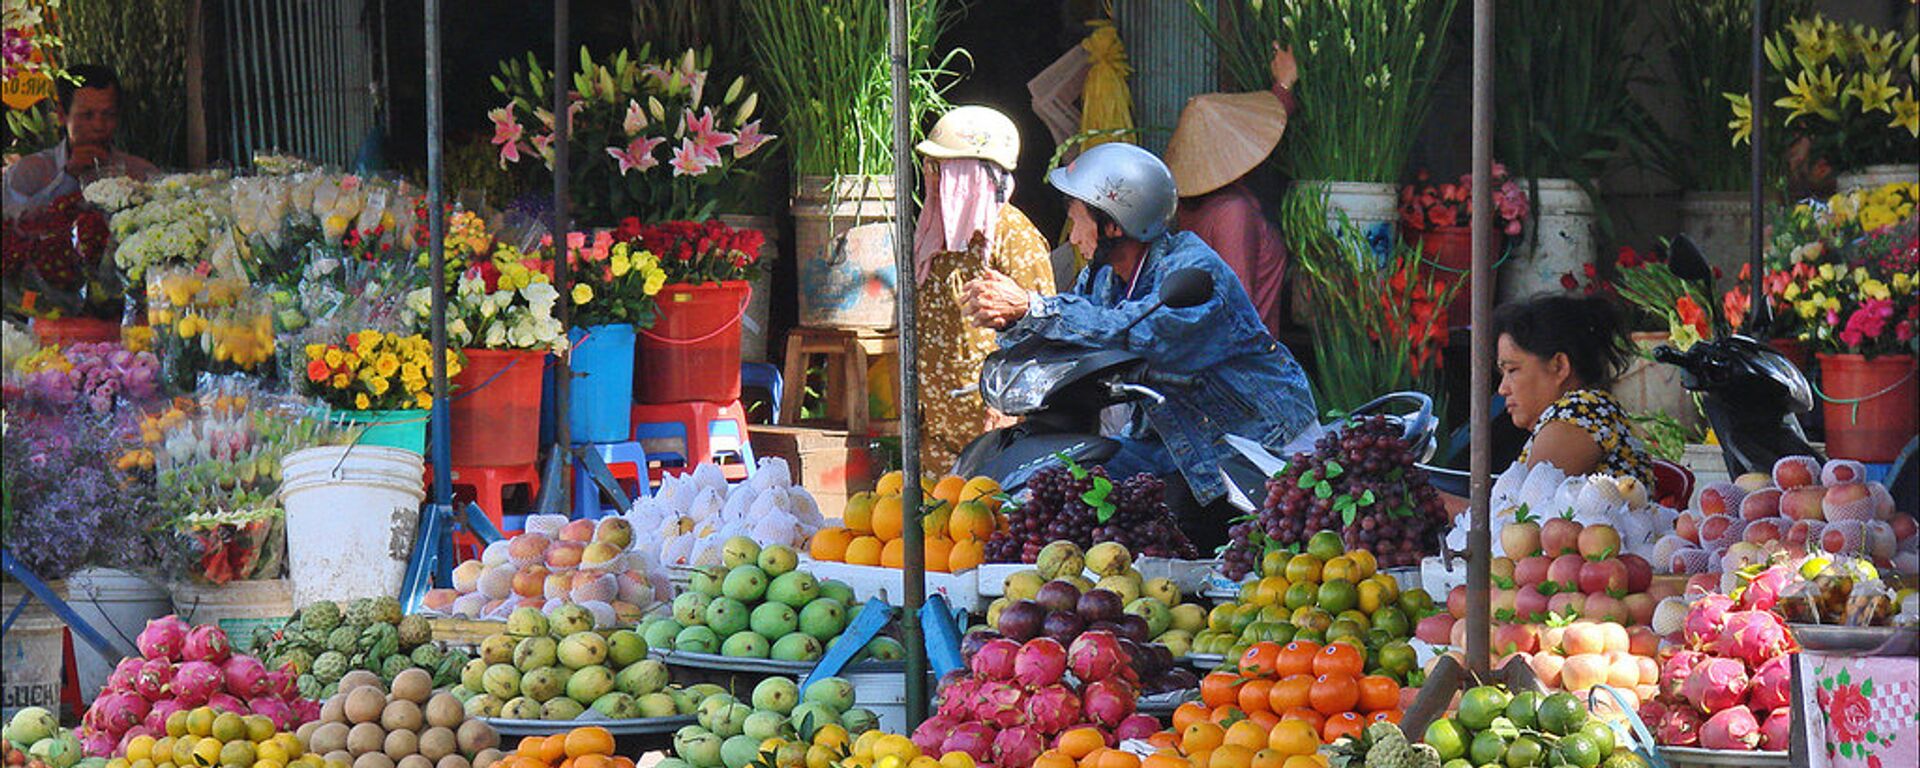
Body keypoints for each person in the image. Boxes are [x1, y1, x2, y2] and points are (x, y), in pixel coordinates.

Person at [961, 142, 1318, 548]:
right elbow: (1076, 317)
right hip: (1169, 442)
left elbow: (1140, 334)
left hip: (1253, 445)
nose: (1074, 236)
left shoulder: (1192, 273)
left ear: (1114, 224)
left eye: (1080, 222)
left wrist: (1032, 307)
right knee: (1066, 482)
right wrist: (1014, 320)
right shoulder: (1104, 276)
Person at [911, 105, 1056, 473]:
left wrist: (1010, 406)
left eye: (946, 169)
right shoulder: (935, 238)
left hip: (993, 434)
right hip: (937, 437)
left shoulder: (1014, 236)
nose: (935, 178)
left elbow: (1044, 330)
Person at [1162, 46, 1297, 338]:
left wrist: (1284, 86)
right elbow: (1238, 306)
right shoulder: (1232, 212)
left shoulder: (1190, 203)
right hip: (1245, 366)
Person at [1493, 294, 1655, 486]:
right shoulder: (1578, 414)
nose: (1502, 389)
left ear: (1560, 366)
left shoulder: (1578, 414)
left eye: (1512, 370)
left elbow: (1525, 511)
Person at [3, 64, 157, 219]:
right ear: (62, 115)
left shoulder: (142, 174)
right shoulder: (28, 174)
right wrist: (68, 179)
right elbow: (11, 220)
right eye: (87, 115)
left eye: (108, 114)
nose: (99, 126)